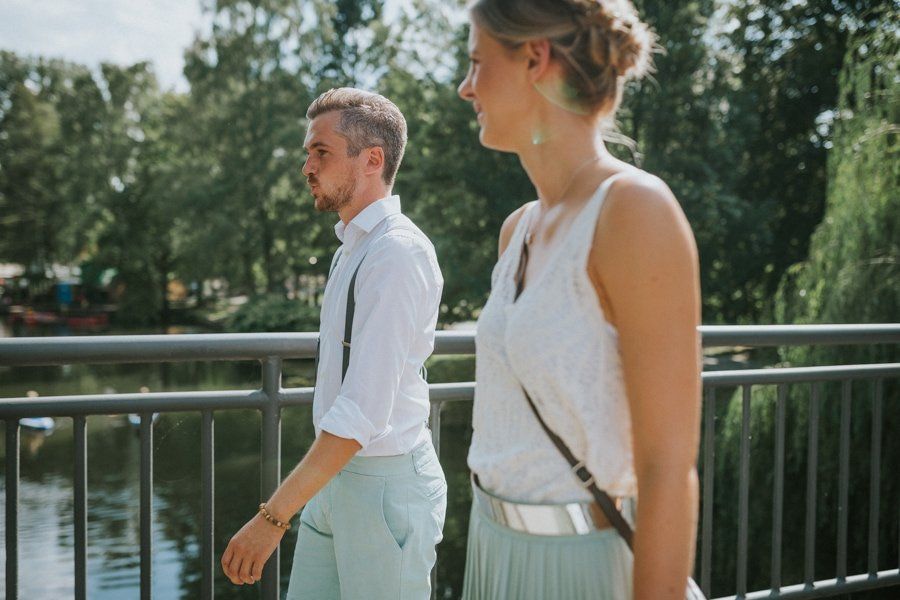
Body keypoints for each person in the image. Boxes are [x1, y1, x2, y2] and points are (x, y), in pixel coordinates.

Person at [457, 1, 702, 598]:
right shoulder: (517, 230)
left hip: (577, 571)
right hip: (491, 550)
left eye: (475, 62)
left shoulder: (634, 211)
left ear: (535, 58)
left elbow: (668, 471)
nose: (466, 88)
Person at [221, 87, 447, 600]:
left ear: (372, 159)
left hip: (385, 486)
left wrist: (272, 518)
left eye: (320, 152)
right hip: (335, 476)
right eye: (307, 152)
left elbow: (364, 411)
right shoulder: (353, 247)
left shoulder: (397, 254)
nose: (306, 166)